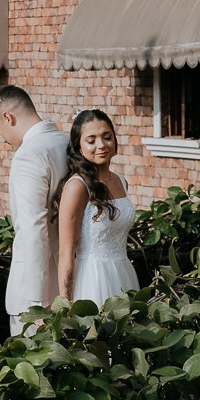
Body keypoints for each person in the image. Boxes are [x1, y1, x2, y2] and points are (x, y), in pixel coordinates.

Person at [0, 84, 68, 334]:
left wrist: (36, 302)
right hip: (71, 279)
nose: (3, 139)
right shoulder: (66, 142)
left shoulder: (29, 155)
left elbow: (34, 229)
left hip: (40, 291)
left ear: (8, 118)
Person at [53, 109, 139, 307]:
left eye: (107, 137)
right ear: (79, 147)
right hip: (93, 278)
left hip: (124, 273)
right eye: (91, 140)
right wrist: (66, 305)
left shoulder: (120, 181)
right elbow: (66, 251)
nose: (101, 145)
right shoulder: (77, 186)